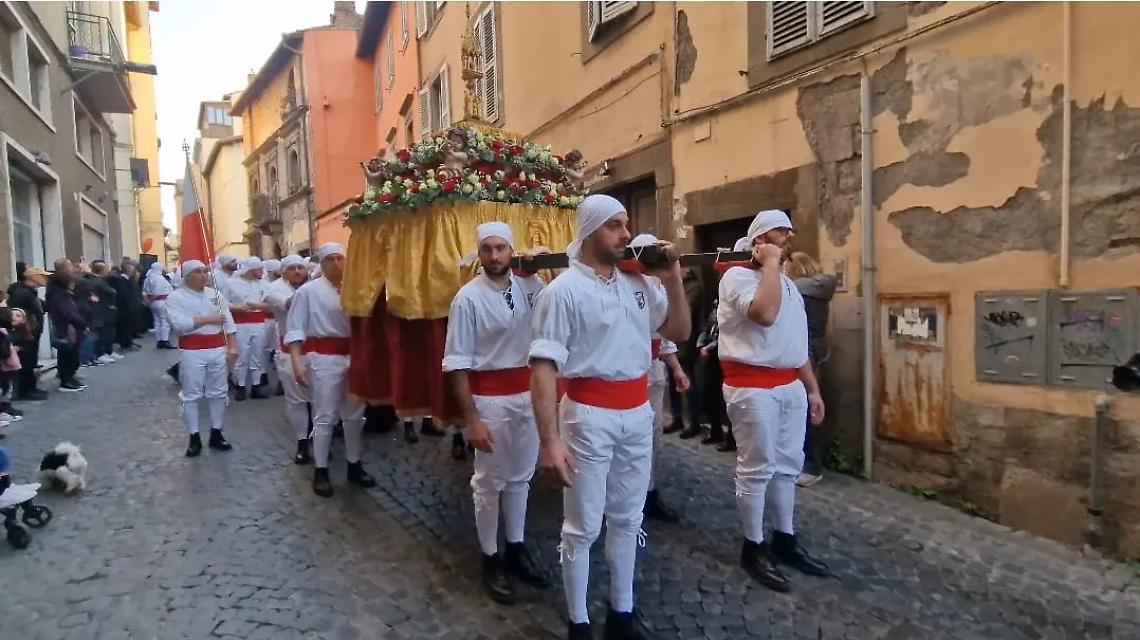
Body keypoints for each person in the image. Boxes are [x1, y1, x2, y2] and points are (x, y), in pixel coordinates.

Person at [529, 194, 691, 640]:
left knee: (629, 518)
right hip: (588, 416)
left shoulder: (638, 284)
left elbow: (677, 332)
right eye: (614, 226)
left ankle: (622, 612)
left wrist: (672, 278)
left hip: (637, 412)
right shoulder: (562, 291)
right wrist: (550, 440)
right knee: (582, 525)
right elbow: (543, 367)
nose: (625, 234)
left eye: (625, 225)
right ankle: (579, 622)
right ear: (589, 231)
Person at [717, 210, 828, 594]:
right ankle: (753, 545)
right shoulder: (736, 277)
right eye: (781, 231)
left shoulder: (788, 284)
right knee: (756, 469)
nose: (789, 237)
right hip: (753, 386)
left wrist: (812, 389)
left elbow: (797, 348)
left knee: (787, 467)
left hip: (789, 387)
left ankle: (785, 537)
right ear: (760, 239)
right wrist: (769, 265)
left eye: (789, 232)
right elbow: (762, 314)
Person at [442, 222, 551, 605]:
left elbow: (550, 313)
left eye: (501, 248)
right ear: (479, 253)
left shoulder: (529, 288)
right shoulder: (467, 298)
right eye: (487, 249)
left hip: (526, 395)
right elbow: (456, 363)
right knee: (489, 482)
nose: (494, 256)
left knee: (521, 476)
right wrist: (471, 418)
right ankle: (490, 556)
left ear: (511, 249)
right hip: (490, 398)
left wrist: (537, 270)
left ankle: (516, 547)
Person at [285, 242, 377, 498]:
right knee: (325, 415)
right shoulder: (308, 292)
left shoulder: (357, 289)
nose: (336, 264)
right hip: (324, 358)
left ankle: (354, 464)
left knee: (355, 415)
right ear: (322, 264)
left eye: (340, 259)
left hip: (354, 356)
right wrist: (296, 361)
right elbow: (295, 327)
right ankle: (322, 469)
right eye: (330, 260)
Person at [628, 233, 690, 525]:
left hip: (653, 371)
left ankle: (649, 492)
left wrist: (676, 368)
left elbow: (666, 337)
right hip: (627, 369)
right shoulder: (625, 283)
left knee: (651, 436)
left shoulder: (662, 286)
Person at [165, 260, 238, 457]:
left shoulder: (215, 295)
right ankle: (194, 437)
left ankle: (217, 432)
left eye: (205, 271)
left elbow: (228, 323)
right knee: (191, 394)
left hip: (217, 348)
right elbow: (180, 325)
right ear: (187, 276)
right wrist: (207, 319)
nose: (203, 275)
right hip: (192, 351)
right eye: (198, 272)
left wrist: (232, 346)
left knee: (219, 392)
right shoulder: (175, 298)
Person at [785, 251, 836, 487]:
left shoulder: (798, 291)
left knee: (808, 409)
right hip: (815, 349)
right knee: (809, 406)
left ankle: (811, 466)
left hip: (805, 352)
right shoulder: (818, 291)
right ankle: (806, 462)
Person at [265, 255, 312, 464]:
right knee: (296, 401)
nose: (296, 271)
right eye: (291, 268)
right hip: (289, 350)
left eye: (300, 267)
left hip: (318, 350)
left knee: (321, 401)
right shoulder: (274, 289)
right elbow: (289, 303)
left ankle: (320, 440)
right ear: (283, 272)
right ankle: (302, 442)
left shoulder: (316, 285)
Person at [224, 257, 271, 401]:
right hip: (240, 323)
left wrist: (258, 306)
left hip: (258, 323)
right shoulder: (231, 283)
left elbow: (269, 303)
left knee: (257, 356)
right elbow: (223, 303)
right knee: (241, 356)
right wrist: (237, 308)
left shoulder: (264, 284)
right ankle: (241, 386)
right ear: (252, 270)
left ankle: (256, 386)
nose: (262, 272)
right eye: (259, 269)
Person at [7, 264, 50, 401]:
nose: (45, 279)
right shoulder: (21, 293)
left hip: (31, 333)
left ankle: (31, 387)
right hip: (24, 334)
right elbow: (15, 313)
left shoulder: (30, 292)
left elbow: (39, 307)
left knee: (31, 362)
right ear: (33, 278)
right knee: (26, 363)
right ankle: (25, 391)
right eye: (42, 276)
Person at [45, 259, 87, 392]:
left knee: (71, 354)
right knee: (67, 354)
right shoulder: (57, 293)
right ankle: (66, 380)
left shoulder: (60, 291)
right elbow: (66, 312)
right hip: (66, 326)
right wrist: (81, 323)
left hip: (70, 325)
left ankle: (69, 377)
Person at [89, 261, 122, 363]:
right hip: (101, 311)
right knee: (102, 333)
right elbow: (109, 292)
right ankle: (100, 353)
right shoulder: (95, 281)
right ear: (101, 270)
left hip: (107, 311)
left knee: (109, 332)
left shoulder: (103, 280)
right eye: (106, 269)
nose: (108, 271)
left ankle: (109, 351)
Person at [143, 263, 175, 349]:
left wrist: (148, 301)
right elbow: (157, 292)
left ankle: (159, 340)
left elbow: (144, 291)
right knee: (165, 321)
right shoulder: (159, 278)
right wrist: (151, 300)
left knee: (157, 321)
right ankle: (165, 340)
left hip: (153, 302)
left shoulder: (148, 278)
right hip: (162, 300)